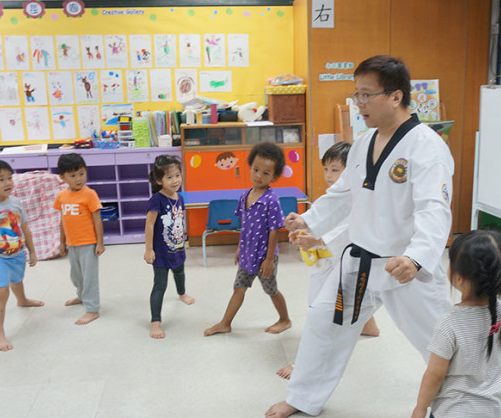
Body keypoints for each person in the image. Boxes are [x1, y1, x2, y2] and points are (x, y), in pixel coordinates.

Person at [266, 55, 454, 418]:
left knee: (441, 341)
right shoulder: (364, 142)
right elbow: (343, 195)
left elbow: (434, 208)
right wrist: (308, 220)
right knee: (324, 323)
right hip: (360, 262)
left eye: (366, 95)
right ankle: (303, 397)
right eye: (357, 95)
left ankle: (464, 408)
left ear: (396, 96)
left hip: (404, 266)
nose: (358, 103)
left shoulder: (426, 147)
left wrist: (417, 257)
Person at [276, 141, 380, 380]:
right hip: (330, 261)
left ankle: (304, 364)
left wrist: (317, 240)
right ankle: (369, 326)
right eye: (326, 169)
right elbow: (321, 217)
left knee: (318, 312)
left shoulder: (359, 198)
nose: (329, 175)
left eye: (335, 170)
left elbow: (348, 231)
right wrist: (302, 227)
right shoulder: (333, 197)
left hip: (342, 263)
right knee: (353, 301)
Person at [411, 230, 501, 418]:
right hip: (493, 415)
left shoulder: (449, 325)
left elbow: (434, 375)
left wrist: (420, 407)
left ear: (459, 279)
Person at [204, 143, 291, 336]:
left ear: (274, 177)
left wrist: (269, 259)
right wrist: (239, 248)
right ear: (250, 167)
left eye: (265, 173)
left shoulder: (271, 200)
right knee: (239, 288)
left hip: (264, 256)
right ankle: (225, 323)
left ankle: (285, 319)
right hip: (247, 253)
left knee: (271, 290)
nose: (259, 175)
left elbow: (274, 231)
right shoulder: (245, 196)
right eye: (256, 169)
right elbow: (244, 226)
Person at [0, 159, 44, 351]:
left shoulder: (16, 203)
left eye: (10, 178)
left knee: (17, 280)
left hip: (17, 255)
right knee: (1, 292)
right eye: (1, 179)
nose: (8, 183)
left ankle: (22, 300)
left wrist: (32, 251)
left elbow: (25, 228)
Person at [144, 155, 195, 339]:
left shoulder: (179, 197)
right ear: (159, 180)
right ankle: (155, 322)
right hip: (161, 252)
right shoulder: (156, 200)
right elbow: (149, 224)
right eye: (169, 177)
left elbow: (179, 220)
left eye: (177, 175)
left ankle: (182, 293)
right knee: (160, 285)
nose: (175, 180)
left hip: (178, 245)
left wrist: (184, 241)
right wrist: (149, 249)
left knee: (180, 272)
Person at [54, 153, 105, 325]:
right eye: (73, 175)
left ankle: (92, 309)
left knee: (89, 277)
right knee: (76, 275)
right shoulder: (62, 196)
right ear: (62, 177)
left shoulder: (90, 194)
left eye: (82, 174)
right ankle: (81, 295)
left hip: (88, 243)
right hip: (72, 243)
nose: (78, 179)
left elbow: (97, 219)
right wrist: (62, 242)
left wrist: (100, 242)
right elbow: (63, 220)